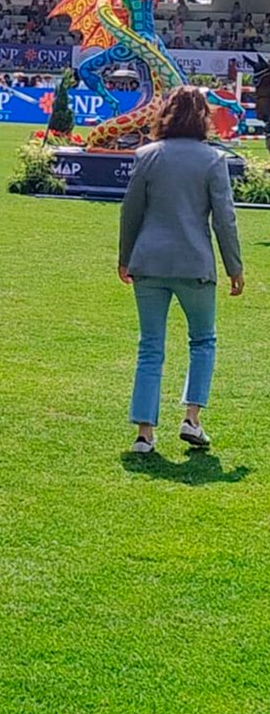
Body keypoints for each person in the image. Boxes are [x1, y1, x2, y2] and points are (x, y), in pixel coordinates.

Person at [118, 86, 244, 455]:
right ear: (204, 117)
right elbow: (225, 219)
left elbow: (131, 211)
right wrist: (234, 266)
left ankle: (144, 433)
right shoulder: (213, 160)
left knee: (150, 347)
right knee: (203, 341)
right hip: (195, 265)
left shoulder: (147, 155)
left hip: (149, 262)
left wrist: (125, 257)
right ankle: (192, 418)